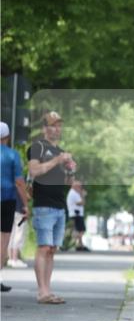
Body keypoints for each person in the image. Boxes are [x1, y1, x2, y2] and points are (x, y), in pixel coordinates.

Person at [28, 111, 74, 303]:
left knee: (52, 249)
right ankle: (42, 292)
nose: (56, 128)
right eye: (52, 125)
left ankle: (48, 289)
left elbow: (66, 183)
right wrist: (56, 160)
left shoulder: (60, 150)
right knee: (44, 247)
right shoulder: (37, 147)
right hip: (44, 204)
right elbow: (34, 170)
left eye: (59, 125)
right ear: (44, 128)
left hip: (59, 205)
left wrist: (70, 170)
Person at [1, 121, 32, 291]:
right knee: (3, 241)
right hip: (6, 200)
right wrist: (26, 205)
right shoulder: (13, 155)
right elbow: (19, 182)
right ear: (7, 137)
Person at [7, 192, 29, 268]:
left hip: (8, 209)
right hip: (19, 211)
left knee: (11, 233)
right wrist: (26, 207)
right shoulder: (20, 181)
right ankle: (15, 259)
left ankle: (10, 259)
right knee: (19, 233)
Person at [65, 179, 89, 251]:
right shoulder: (73, 193)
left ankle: (80, 245)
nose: (80, 188)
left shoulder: (74, 193)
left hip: (76, 214)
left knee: (79, 230)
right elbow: (82, 203)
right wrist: (83, 195)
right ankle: (72, 242)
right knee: (80, 230)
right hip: (76, 214)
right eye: (79, 186)